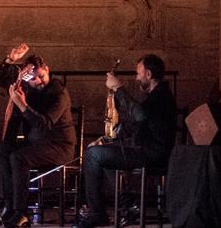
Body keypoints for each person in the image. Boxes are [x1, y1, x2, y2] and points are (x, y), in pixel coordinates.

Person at [74, 54, 177, 228]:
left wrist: (119, 88)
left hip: (152, 154)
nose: (137, 78)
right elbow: (138, 123)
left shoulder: (161, 96)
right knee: (103, 155)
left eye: (138, 73)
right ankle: (128, 204)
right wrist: (106, 139)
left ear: (149, 74)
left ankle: (97, 213)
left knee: (92, 156)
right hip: (146, 150)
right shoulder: (157, 96)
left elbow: (140, 115)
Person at [0, 43, 77, 228]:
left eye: (42, 76)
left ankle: (21, 213)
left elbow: (44, 124)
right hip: (35, 144)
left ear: (47, 70)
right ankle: (9, 207)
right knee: (2, 150)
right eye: (34, 78)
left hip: (58, 146)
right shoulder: (27, 86)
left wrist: (21, 104)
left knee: (18, 157)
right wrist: (10, 60)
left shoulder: (58, 92)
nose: (38, 81)